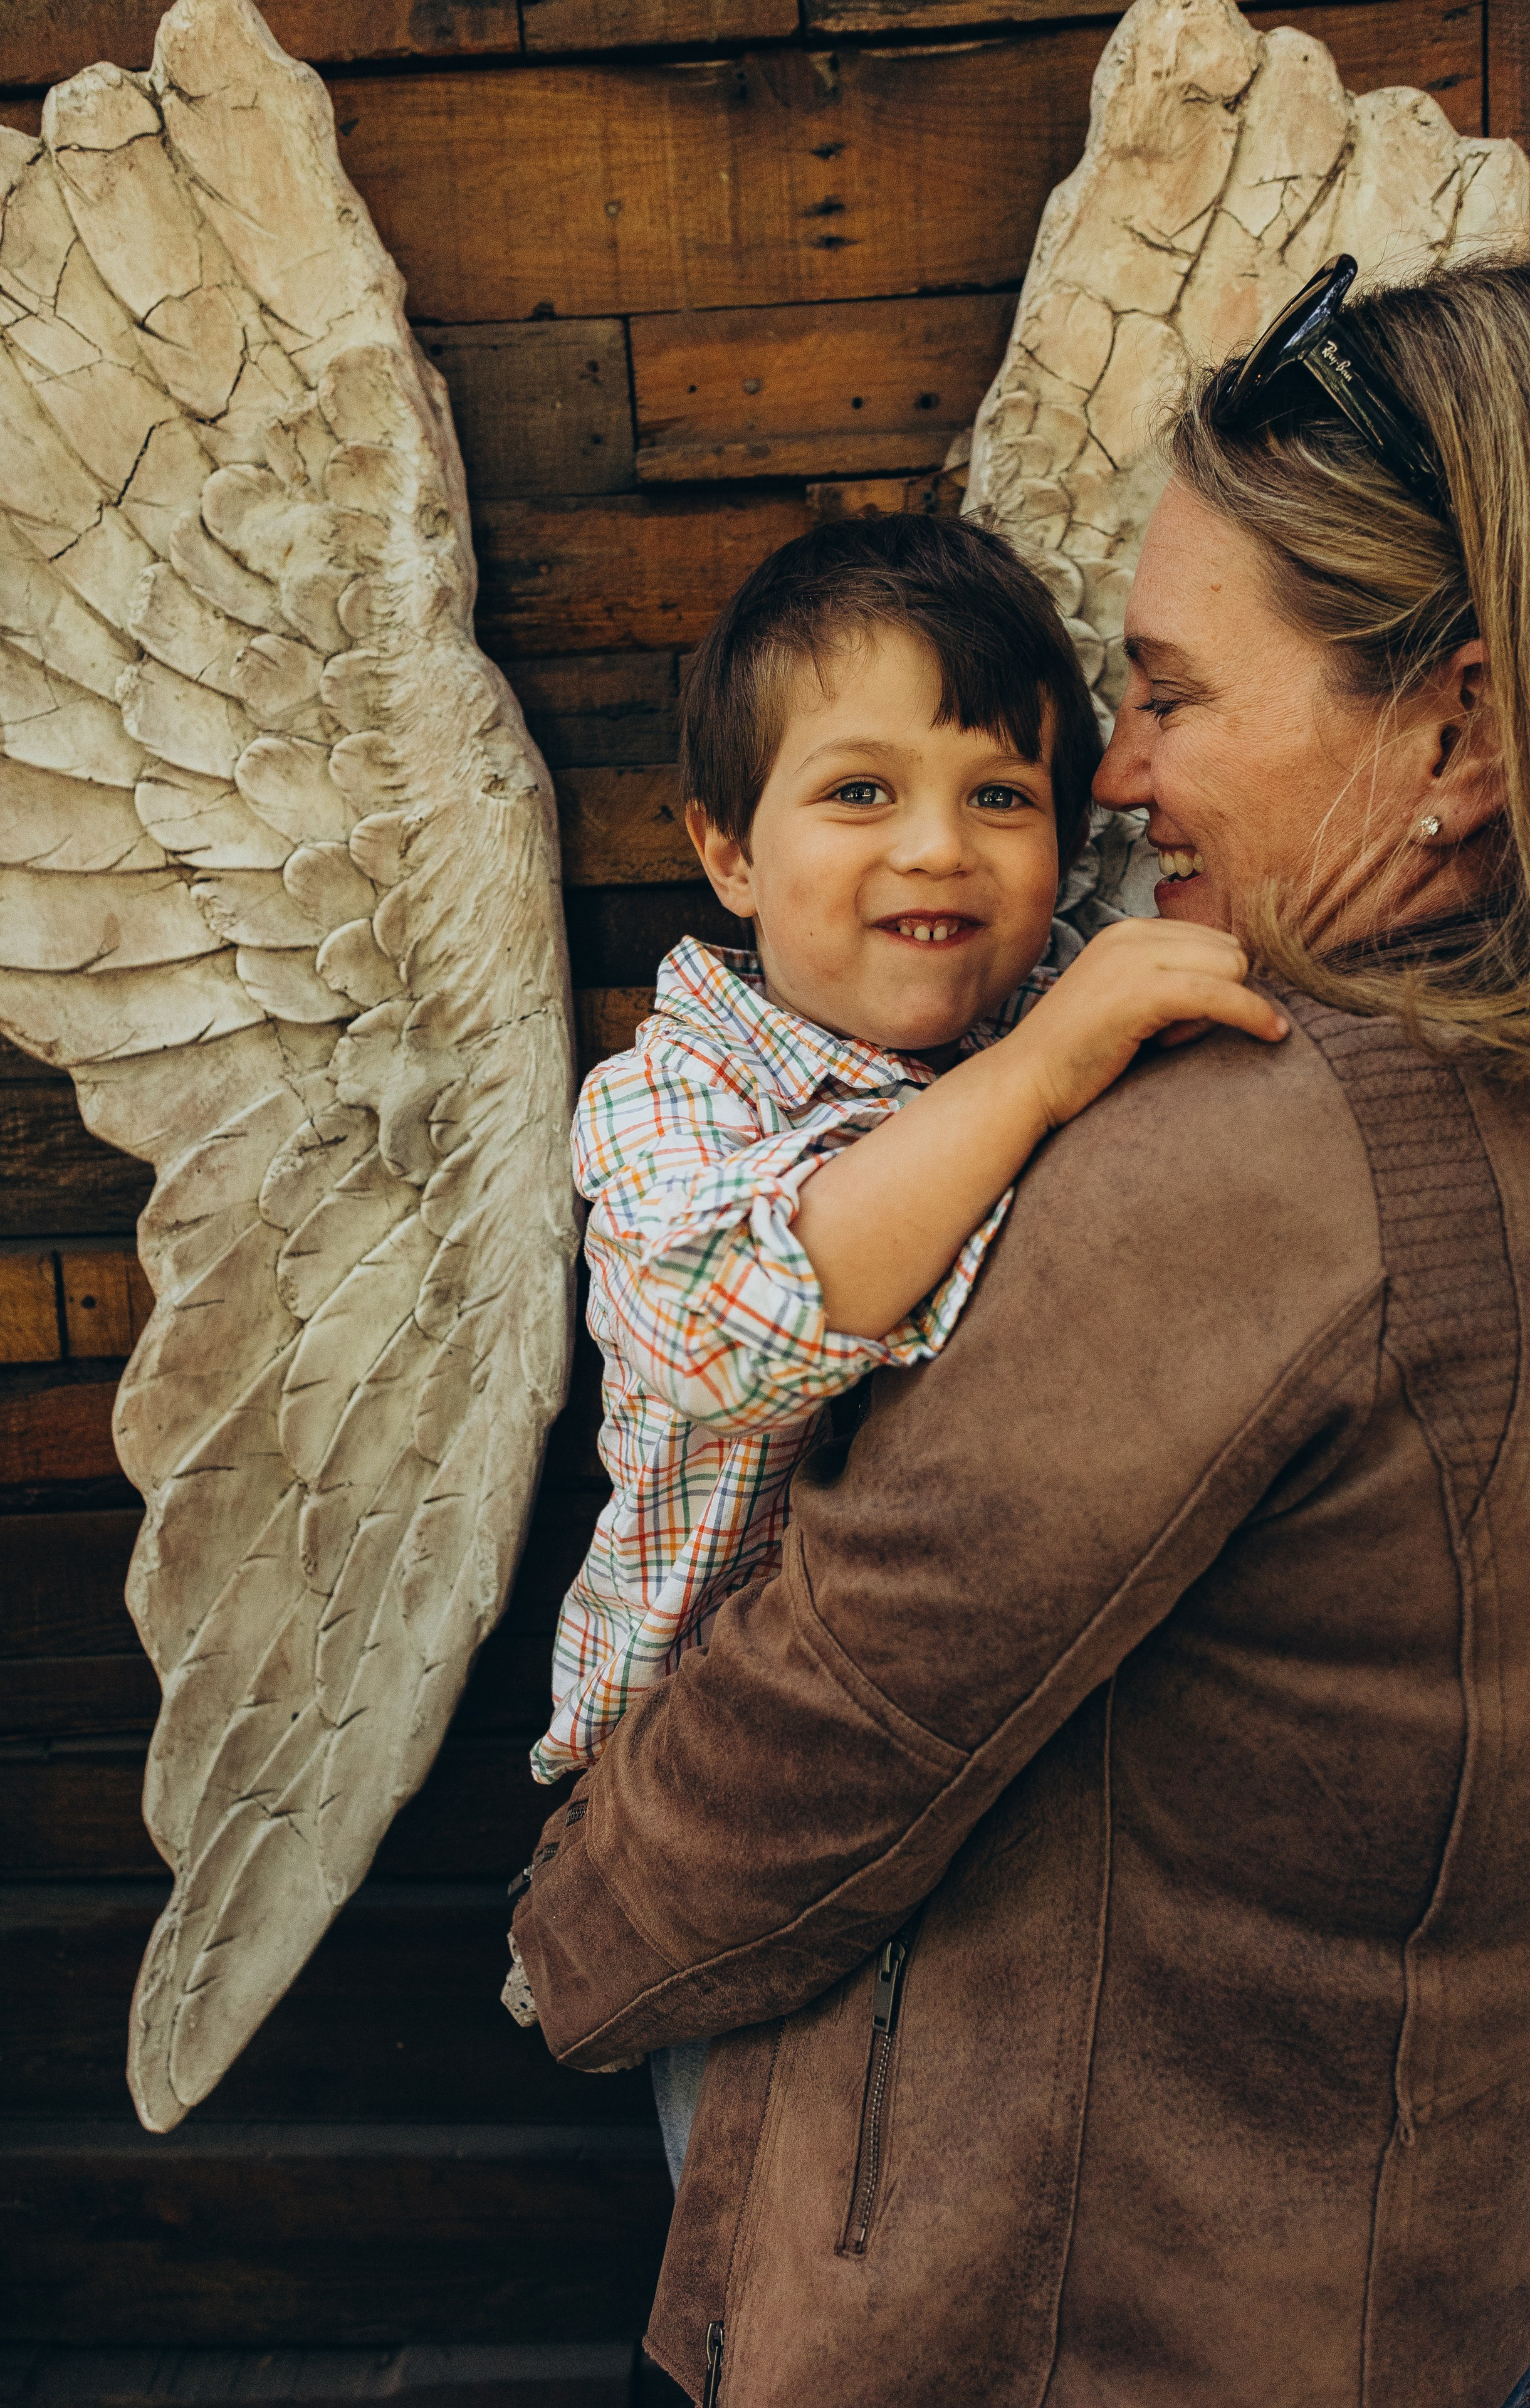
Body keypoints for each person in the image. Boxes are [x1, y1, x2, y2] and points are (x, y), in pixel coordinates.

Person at [514, 253, 1530, 2407]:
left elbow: (857, 1708)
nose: (1123, 782)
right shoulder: (1393, 1069)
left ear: (1456, 727)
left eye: (1164, 697)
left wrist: (568, 1948)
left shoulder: (1251, 1153)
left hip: (1089, 2285)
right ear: (723, 847)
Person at [516, 518, 1284, 2179]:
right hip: (730, 1815)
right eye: (860, 792)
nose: (937, 847)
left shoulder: (1073, 1019)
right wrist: (1037, 1086)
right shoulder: (667, 1103)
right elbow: (739, 1321)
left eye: (1000, 796)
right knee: (776, 2240)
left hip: (1010, 1786)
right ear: (727, 849)